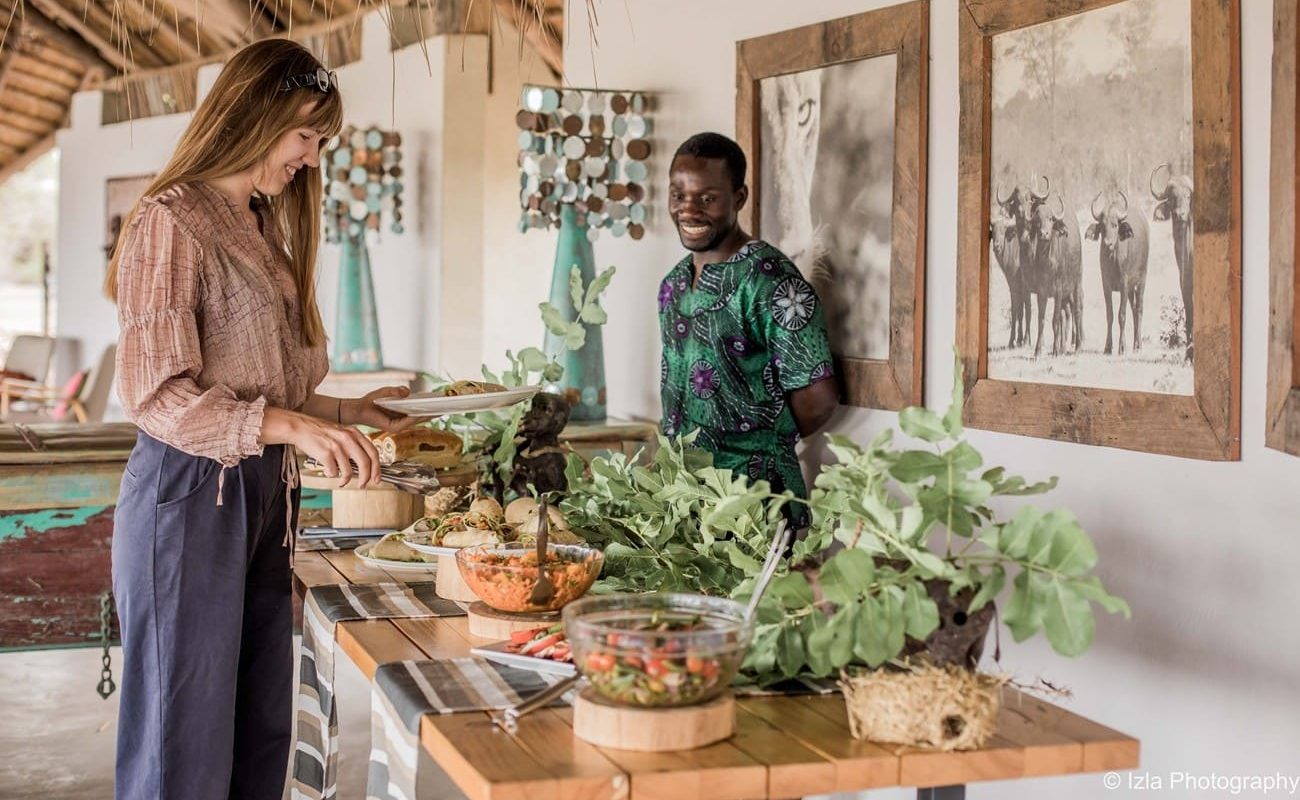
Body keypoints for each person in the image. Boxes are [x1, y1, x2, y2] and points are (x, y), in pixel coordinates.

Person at [105, 39, 417, 800]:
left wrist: (346, 411)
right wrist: (299, 429)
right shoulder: (170, 221)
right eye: (307, 136)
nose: (312, 158)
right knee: (185, 736)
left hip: (262, 498)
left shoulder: (259, 223)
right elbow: (157, 396)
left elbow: (262, 385)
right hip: (188, 499)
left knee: (258, 726)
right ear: (256, 116)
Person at [658, 132, 839, 527]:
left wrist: (757, 444)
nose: (688, 210)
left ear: (738, 198)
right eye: (678, 195)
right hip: (683, 501)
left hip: (756, 506)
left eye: (707, 198)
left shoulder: (770, 281)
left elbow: (818, 400)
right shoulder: (672, 285)